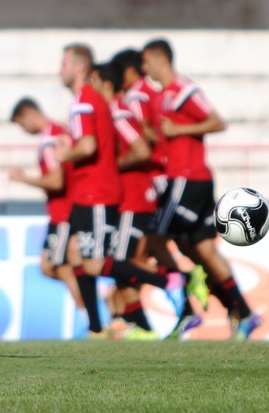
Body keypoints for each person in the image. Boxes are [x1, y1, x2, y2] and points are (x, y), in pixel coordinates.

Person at [54, 44, 183, 338]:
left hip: (98, 193)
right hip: (88, 192)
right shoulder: (91, 101)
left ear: (80, 68)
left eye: (63, 64)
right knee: (76, 255)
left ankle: (169, 282)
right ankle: (97, 328)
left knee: (96, 263)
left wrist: (66, 155)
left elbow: (89, 146)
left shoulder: (87, 101)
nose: (58, 71)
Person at [141, 38, 262, 340]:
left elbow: (217, 122)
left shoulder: (184, 91)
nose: (145, 69)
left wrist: (179, 129)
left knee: (154, 239)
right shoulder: (162, 97)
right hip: (187, 178)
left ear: (160, 60)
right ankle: (244, 313)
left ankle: (187, 303)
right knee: (203, 248)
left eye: (147, 62)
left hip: (188, 178)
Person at [89, 62, 187, 340]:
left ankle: (169, 280)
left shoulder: (118, 112)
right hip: (125, 198)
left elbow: (142, 149)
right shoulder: (111, 112)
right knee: (124, 265)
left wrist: (109, 167)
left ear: (106, 84)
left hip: (134, 197)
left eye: (93, 82)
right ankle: (134, 324)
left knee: (115, 261)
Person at [8, 97, 82, 310]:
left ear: (28, 115)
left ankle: (92, 318)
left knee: (57, 266)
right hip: (70, 208)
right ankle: (93, 307)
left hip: (63, 212)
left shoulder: (49, 139)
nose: (24, 130)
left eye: (22, 124)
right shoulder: (62, 130)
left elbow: (56, 180)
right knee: (58, 265)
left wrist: (23, 178)